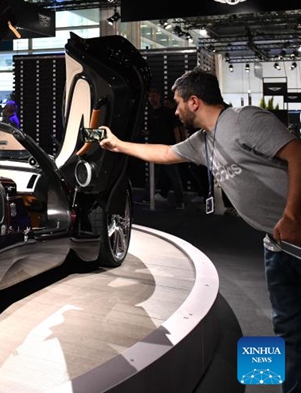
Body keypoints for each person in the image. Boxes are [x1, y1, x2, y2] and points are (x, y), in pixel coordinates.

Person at [99, 67, 301, 393]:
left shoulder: (243, 120)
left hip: (295, 234)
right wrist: (118, 144)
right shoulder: (204, 143)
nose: (174, 110)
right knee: (288, 329)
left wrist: (291, 215)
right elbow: (165, 153)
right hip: (277, 246)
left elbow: (297, 153)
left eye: (178, 103)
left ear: (194, 101)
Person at [145, 88, 184, 208]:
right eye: (150, 96)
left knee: (174, 176)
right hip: (154, 149)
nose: (152, 99)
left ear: (159, 96)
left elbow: (175, 129)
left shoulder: (167, 112)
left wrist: (177, 146)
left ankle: (180, 202)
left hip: (168, 148)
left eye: (154, 96)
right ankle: (148, 199)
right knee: (153, 176)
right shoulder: (151, 113)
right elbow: (151, 130)